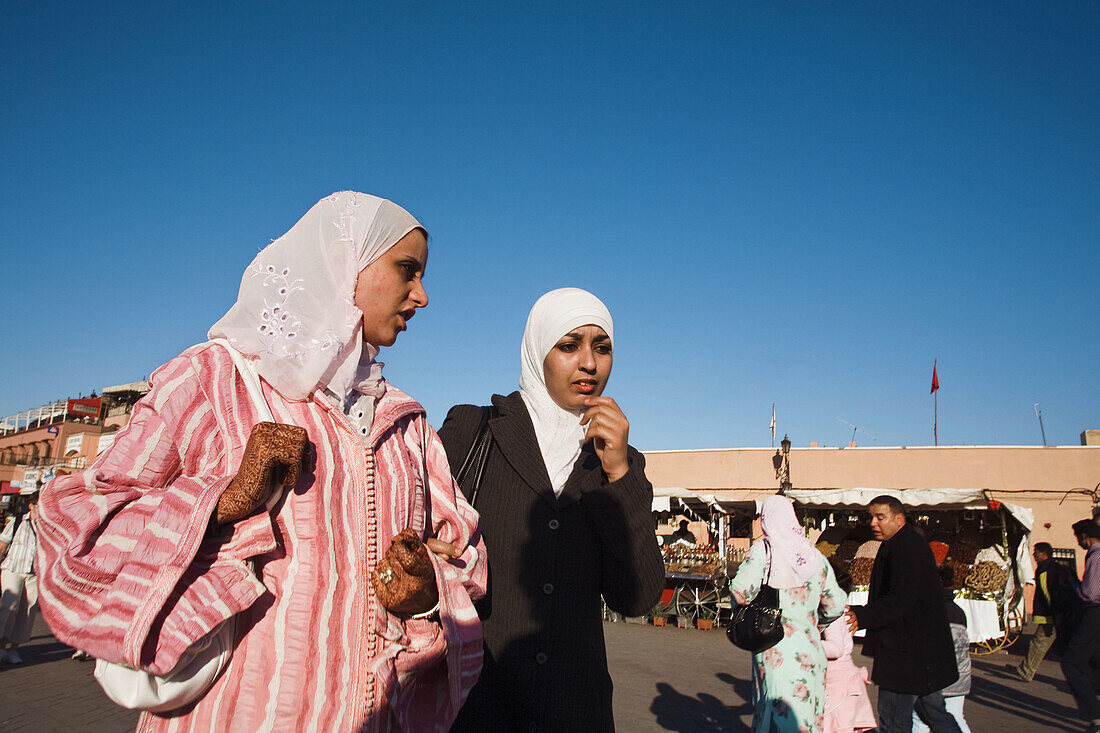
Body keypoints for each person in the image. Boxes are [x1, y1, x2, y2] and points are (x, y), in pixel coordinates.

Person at [36, 192, 486, 731]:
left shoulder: (406, 424)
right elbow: (77, 522)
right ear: (344, 264)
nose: (423, 295)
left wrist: (428, 588)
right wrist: (223, 501)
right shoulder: (212, 380)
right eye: (406, 269)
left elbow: (466, 553)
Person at [439, 287, 664, 733]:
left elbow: (636, 597)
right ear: (538, 350)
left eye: (602, 348)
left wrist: (619, 474)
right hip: (479, 708)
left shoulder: (617, 460)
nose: (589, 363)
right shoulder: (473, 431)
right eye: (568, 345)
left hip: (577, 712)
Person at [844, 495, 962, 733]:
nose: (873, 523)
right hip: (920, 655)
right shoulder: (898, 544)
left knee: (895, 722)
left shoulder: (906, 548)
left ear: (898, 519)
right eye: (871, 517)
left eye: (880, 517)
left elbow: (900, 599)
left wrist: (863, 616)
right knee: (936, 715)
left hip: (906, 654)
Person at [729, 495, 847, 733]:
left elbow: (740, 592)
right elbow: (836, 605)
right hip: (811, 649)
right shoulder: (815, 557)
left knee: (774, 716)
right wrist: (811, 624)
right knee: (807, 720)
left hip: (775, 648)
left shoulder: (763, 551)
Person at [913, 566, 971, 733]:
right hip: (960, 673)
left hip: (936, 676)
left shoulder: (928, 610)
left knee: (919, 719)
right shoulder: (959, 611)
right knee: (956, 716)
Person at [1011, 541, 1074, 682]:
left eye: (1036, 552)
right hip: (1057, 615)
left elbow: (1048, 594)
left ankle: (1026, 672)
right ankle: (1025, 669)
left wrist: (1054, 614)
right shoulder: (1052, 568)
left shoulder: (1045, 571)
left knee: (1038, 643)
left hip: (1051, 616)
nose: (1034, 555)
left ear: (1043, 554)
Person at [821, 572, 875, 733]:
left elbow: (835, 648)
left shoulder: (834, 615)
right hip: (838, 682)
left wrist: (805, 644)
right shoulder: (834, 612)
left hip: (839, 685)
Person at [1060, 519, 1100, 733]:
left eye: (1078, 537)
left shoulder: (1096, 556)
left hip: (1094, 613)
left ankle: (1094, 714)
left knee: (1071, 661)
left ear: (1085, 536)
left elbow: (1090, 594)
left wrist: (1073, 583)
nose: (1078, 542)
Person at [0, 494, 39, 665]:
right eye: (40, 504)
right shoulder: (17, 522)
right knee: (10, 607)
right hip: (13, 569)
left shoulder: (49, 526)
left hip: (35, 574)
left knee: (29, 610)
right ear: (31, 506)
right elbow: (2, 545)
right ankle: (1, 645)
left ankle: (14, 648)